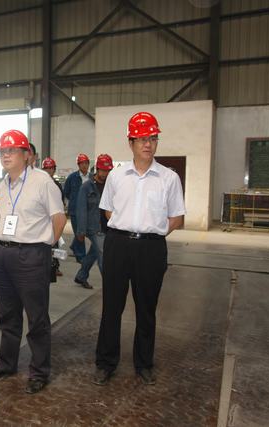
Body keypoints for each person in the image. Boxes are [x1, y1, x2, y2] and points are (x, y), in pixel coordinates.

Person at [93, 112, 185, 387]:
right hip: (118, 246)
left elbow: (176, 217)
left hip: (151, 249)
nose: (148, 144)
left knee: (147, 308)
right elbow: (108, 211)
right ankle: (106, 363)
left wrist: (153, 232)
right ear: (130, 143)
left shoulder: (169, 178)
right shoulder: (117, 175)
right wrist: (128, 228)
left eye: (153, 138)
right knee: (112, 307)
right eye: (142, 139)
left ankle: (144, 363)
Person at [0, 130, 66, 394]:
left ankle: (39, 371)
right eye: (2, 151)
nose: (6, 155)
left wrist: (45, 246)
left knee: (36, 317)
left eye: (11, 151)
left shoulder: (42, 182)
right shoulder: (3, 184)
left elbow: (59, 218)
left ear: (26, 154)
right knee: (7, 315)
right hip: (3, 254)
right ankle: (6, 363)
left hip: (31, 255)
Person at [73, 154, 114, 289]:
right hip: (94, 228)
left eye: (108, 171)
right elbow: (81, 209)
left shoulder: (110, 185)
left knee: (93, 253)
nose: (105, 173)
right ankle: (110, 287)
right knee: (103, 256)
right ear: (97, 169)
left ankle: (81, 276)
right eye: (103, 170)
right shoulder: (86, 187)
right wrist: (80, 231)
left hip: (107, 226)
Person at [63, 154, 90, 262]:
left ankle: (74, 246)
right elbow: (66, 192)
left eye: (86, 163)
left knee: (84, 231)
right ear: (78, 165)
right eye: (82, 163)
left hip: (88, 210)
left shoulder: (92, 177)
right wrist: (76, 201)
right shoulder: (72, 177)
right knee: (79, 233)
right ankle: (81, 256)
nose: (84, 165)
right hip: (75, 210)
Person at [41, 156, 65, 279]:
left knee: (54, 243)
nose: (49, 171)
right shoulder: (39, 184)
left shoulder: (56, 185)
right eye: (46, 168)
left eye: (51, 168)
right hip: (42, 219)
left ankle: (54, 266)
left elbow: (60, 202)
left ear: (54, 169)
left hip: (53, 218)